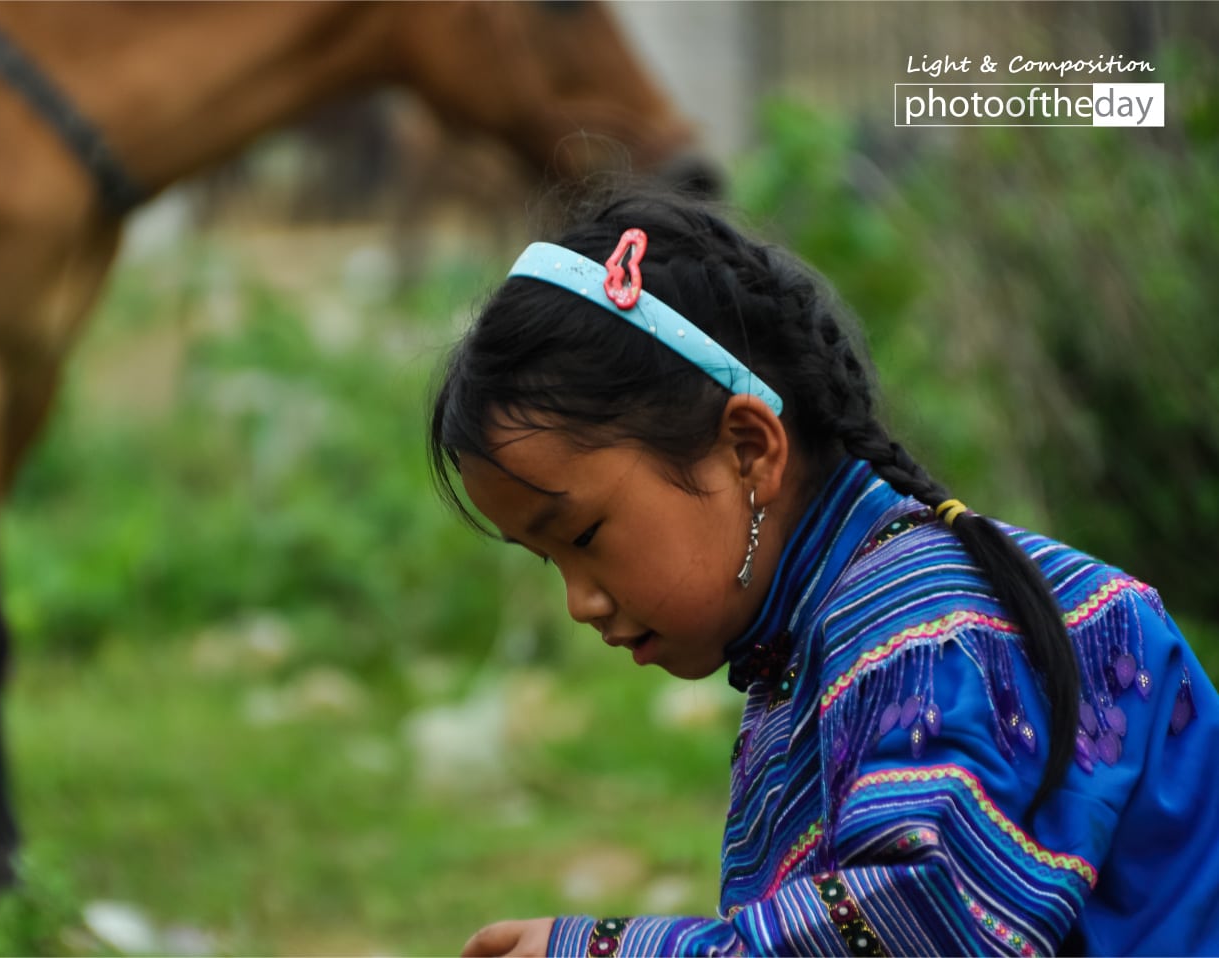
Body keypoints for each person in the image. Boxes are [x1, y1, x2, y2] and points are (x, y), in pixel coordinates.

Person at [427, 189, 1219, 957]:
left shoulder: (930, 634)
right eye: (548, 559)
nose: (578, 602)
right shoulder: (819, 632)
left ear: (748, 449)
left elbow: (919, 931)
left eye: (586, 534)